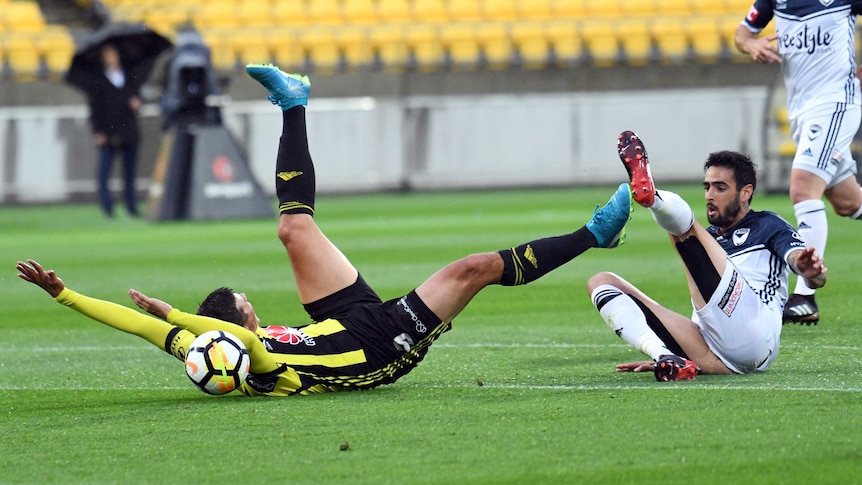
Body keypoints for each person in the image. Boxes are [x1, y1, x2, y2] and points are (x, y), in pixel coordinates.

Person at [15, 63, 634, 396]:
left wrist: (66, 295)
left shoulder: (208, 351)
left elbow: (141, 326)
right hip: (381, 345)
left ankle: (294, 104)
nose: (255, 312)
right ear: (236, 334)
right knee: (473, 269)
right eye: (247, 313)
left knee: (292, 232)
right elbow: (209, 331)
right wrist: (180, 313)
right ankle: (593, 236)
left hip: (339, 321)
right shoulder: (256, 366)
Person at [588, 131, 827, 381]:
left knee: (684, 232)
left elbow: (801, 264)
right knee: (602, 282)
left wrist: (807, 271)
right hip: (711, 345)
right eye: (707, 187)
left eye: (720, 188)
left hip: (755, 333)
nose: (709, 195)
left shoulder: (767, 225)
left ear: (746, 192)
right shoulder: (708, 238)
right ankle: (665, 357)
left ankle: (653, 198)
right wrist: (674, 350)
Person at [734, 1, 862, 325]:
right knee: (849, 202)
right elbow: (742, 33)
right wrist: (751, 44)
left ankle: (805, 296)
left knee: (803, 191)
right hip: (802, 109)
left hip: (836, 103)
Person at [84, 43, 142, 218]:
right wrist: (98, 131)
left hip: (128, 130)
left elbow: (137, 97)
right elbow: (95, 109)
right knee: (104, 172)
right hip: (108, 131)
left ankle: (131, 205)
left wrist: (136, 102)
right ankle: (107, 206)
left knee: (129, 172)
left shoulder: (129, 76)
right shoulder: (98, 80)